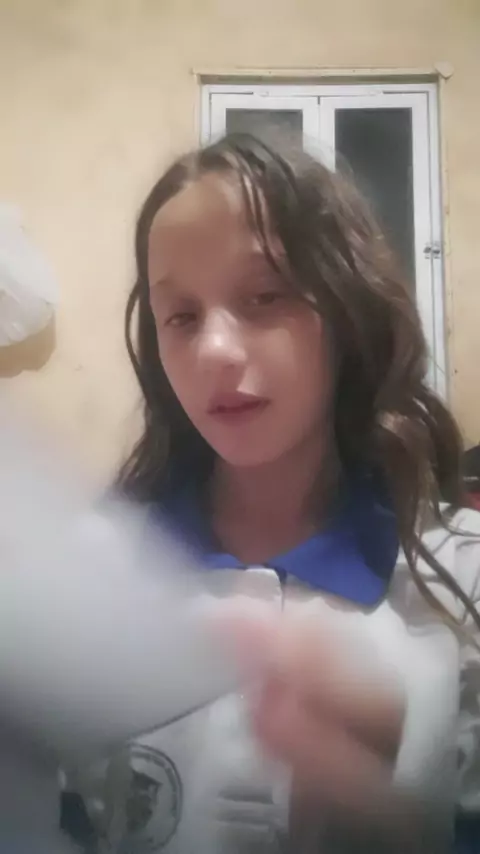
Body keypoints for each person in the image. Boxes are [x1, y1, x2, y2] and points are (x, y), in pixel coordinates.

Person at [61, 133, 480, 853]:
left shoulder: (462, 578)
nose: (214, 351)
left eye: (264, 296)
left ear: (347, 311)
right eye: (181, 316)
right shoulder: (91, 572)